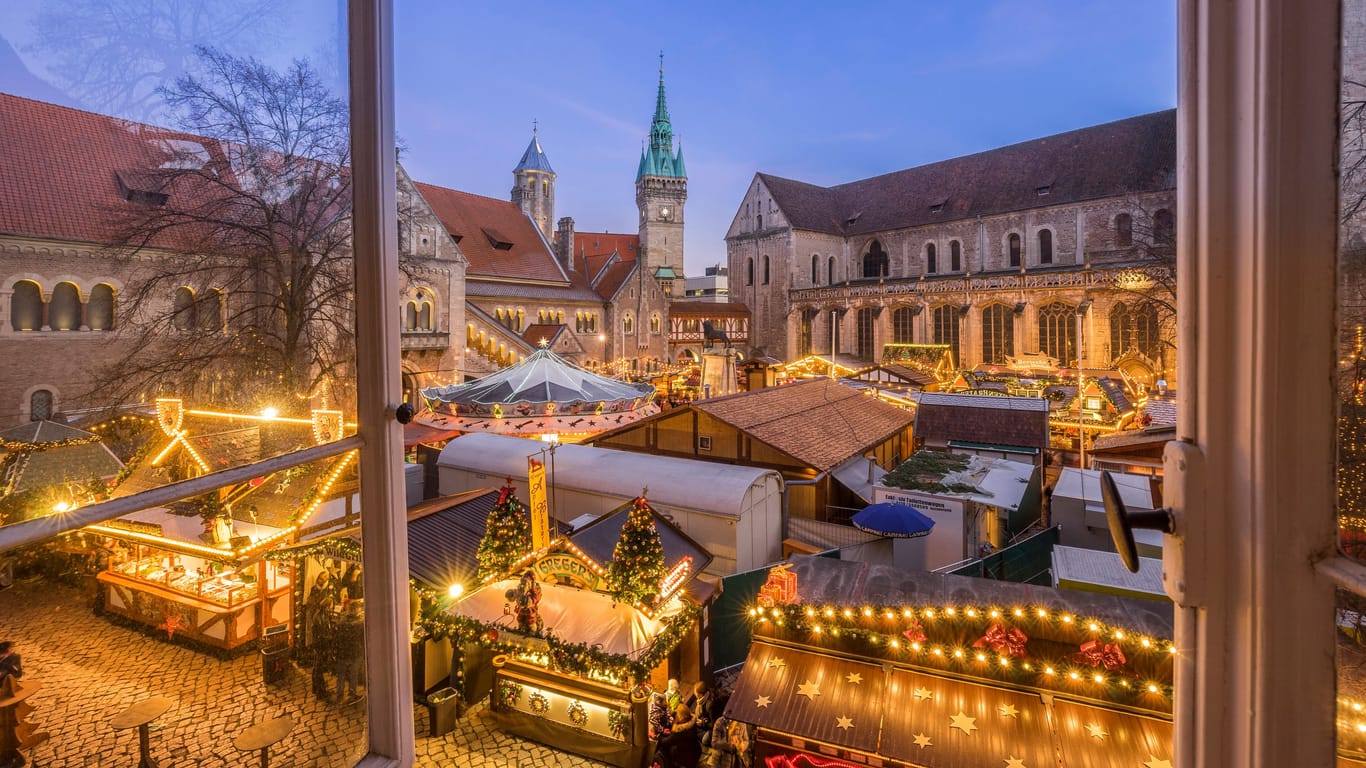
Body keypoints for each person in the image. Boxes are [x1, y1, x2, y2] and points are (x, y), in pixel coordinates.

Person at [333, 601, 365, 704]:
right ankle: (352, 694)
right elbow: (362, 638)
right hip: (355, 652)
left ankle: (340, 695)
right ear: (356, 610)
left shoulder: (342, 621)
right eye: (359, 609)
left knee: (341, 675)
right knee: (353, 674)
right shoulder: (360, 623)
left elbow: (337, 637)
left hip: (342, 652)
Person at [513, 570, 542, 635]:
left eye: (526, 582)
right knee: (520, 618)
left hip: (530, 609)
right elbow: (516, 593)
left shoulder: (535, 589)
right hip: (521, 608)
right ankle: (521, 627)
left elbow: (536, 598)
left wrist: (528, 601)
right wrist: (513, 594)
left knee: (530, 618)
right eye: (523, 582)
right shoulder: (521, 587)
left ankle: (532, 630)